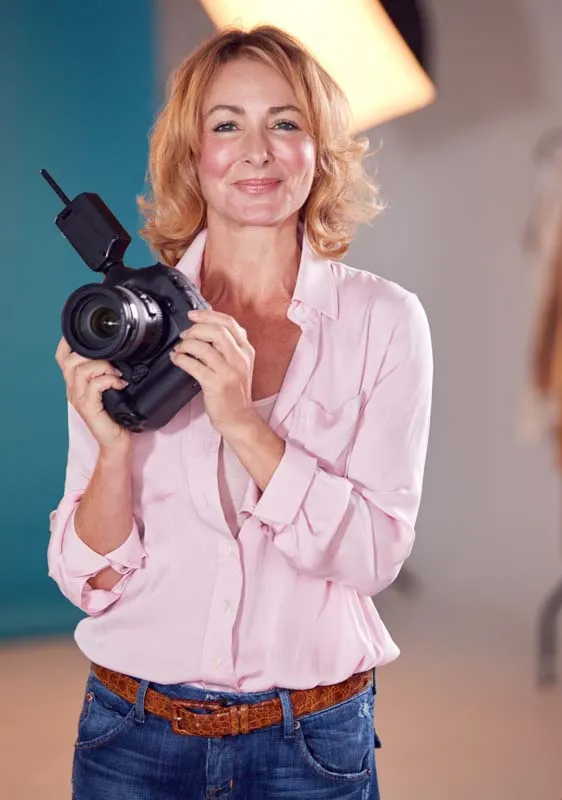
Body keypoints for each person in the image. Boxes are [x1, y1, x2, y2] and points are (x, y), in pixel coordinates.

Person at [48, 24, 433, 800]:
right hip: (132, 734)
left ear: (320, 149)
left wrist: (244, 425)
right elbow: (89, 579)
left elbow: (372, 556)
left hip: (312, 742)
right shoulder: (124, 320)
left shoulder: (384, 321)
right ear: (193, 156)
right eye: (226, 124)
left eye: (283, 123)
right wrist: (113, 448)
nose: (255, 151)